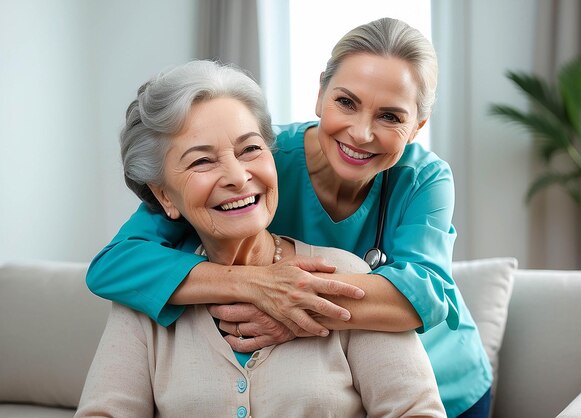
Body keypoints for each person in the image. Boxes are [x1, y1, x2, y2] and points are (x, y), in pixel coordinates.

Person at [86, 18, 492, 417]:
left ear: (417, 126)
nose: (361, 133)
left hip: (445, 380)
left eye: (391, 117)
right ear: (320, 95)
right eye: (346, 102)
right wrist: (257, 284)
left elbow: (428, 294)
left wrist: (292, 303)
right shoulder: (257, 162)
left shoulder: (423, 178)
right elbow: (115, 265)